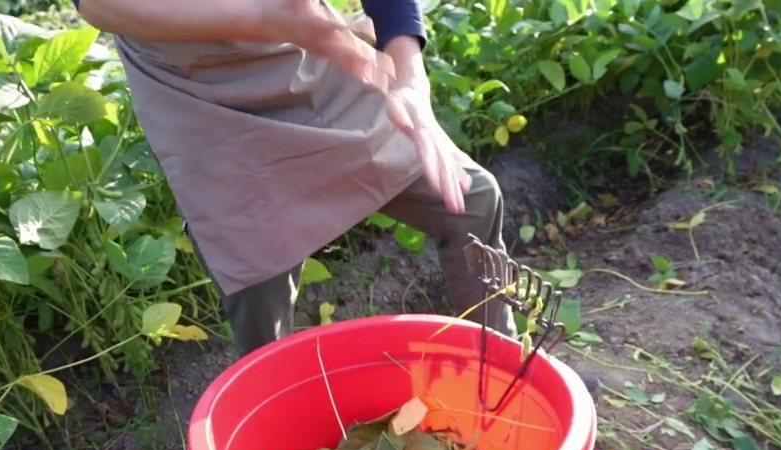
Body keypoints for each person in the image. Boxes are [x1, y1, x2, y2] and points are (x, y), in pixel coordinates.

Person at [71, 0, 518, 357]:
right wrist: (284, 18)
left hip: (303, 56)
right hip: (200, 92)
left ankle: (503, 372)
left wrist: (410, 85)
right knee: (257, 274)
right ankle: (277, 435)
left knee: (470, 200)